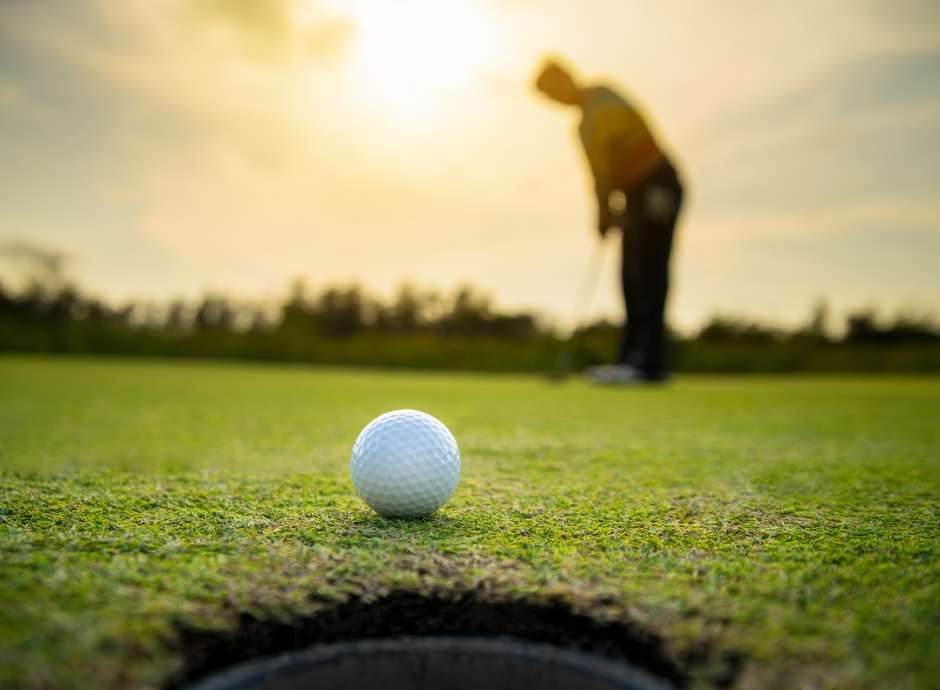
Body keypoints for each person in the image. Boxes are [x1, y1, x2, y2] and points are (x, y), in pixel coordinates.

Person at [534, 59, 684, 384]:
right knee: (631, 274)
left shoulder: (602, 96)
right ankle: (631, 360)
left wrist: (606, 208)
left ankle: (650, 364)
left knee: (650, 270)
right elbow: (599, 176)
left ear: (566, 76)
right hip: (633, 195)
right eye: (547, 97)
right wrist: (604, 211)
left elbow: (616, 149)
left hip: (657, 183)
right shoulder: (580, 126)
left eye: (552, 89)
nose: (554, 99)